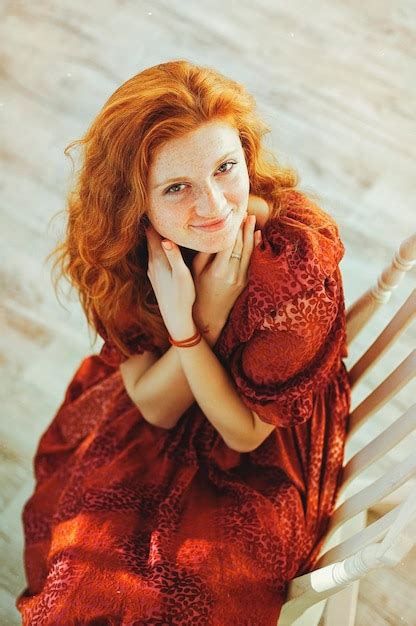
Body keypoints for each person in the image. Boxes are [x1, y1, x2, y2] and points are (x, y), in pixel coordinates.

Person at [16, 59, 351, 625]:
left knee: (171, 592)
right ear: (135, 204)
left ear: (246, 153)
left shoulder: (294, 270)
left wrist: (194, 326)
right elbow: (153, 407)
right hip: (175, 396)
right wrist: (200, 319)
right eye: (177, 187)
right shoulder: (127, 249)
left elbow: (244, 433)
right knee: (79, 564)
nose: (216, 206)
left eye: (226, 167)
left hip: (262, 442)